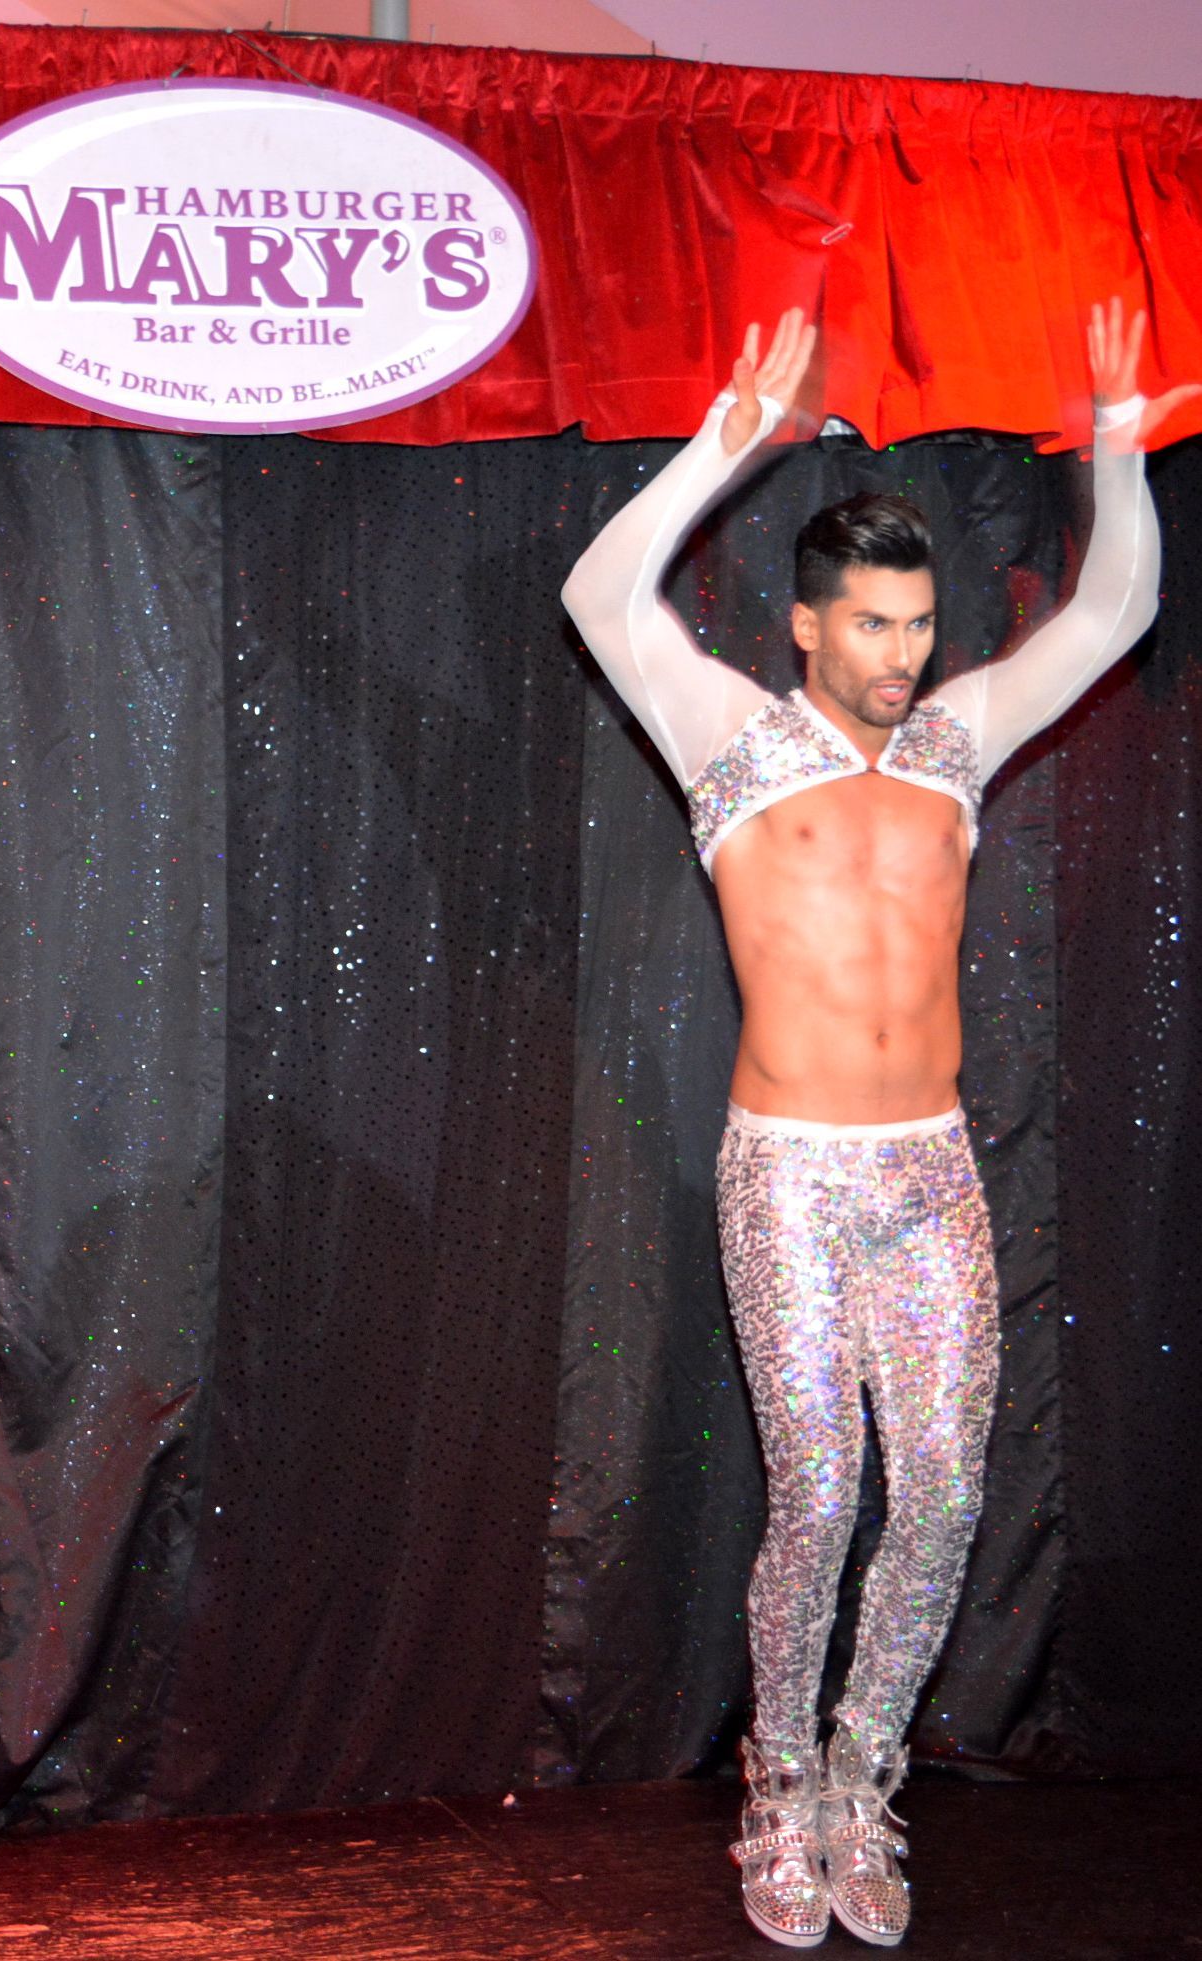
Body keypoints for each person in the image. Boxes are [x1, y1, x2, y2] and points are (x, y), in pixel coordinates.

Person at [562, 301, 1195, 1949]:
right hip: (788, 1176)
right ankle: (778, 1785)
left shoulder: (954, 747)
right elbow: (598, 598)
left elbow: (1117, 607)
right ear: (807, 624)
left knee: (946, 1499)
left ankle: (862, 1777)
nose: (905, 652)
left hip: (929, 1177)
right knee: (822, 1494)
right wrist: (719, 448)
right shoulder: (732, 744)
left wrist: (1117, 451)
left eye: (920, 623)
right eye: (875, 624)